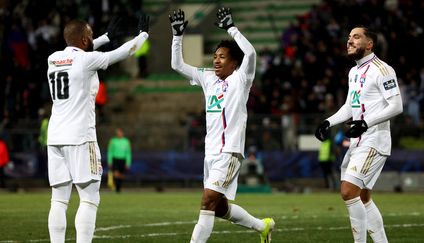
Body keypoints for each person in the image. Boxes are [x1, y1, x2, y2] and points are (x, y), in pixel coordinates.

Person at [170, 8, 275, 243]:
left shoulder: (241, 79)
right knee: (218, 208)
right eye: (215, 56)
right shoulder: (208, 78)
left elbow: (251, 53)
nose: (216, 60)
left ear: (234, 63)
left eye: (222, 57)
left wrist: (232, 28)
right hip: (211, 154)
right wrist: (177, 36)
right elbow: (177, 65)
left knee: (207, 201)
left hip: (229, 153)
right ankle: (263, 226)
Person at [46, 15, 149, 243]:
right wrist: (143, 35)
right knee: (90, 198)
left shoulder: (53, 59)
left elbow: (80, 52)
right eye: (90, 36)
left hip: (55, 138)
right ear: (84, 40)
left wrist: (104, 37)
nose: (93, 39)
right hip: (81, 137)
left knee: (59, 200)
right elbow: (125, 52)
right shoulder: (87, 61)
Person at [315, 26, 403, 243]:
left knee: (347, 191)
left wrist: (365, 123)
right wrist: (329, 121)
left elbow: (397, 106)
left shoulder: (383, 70)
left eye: (356, 37)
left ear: (369, 44)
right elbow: (349, 106)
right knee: (362, 197)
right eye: (348, 38)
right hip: (358, 142)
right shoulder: (353, 72)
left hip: (374, 141)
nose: (349, 41)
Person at [107, 127, 132, 193]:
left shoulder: (126, 141)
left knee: (121, 175)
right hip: (115, 159)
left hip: (123, 160)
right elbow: (110, 151)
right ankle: (117, 188)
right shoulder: (113, 141)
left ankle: (118, 187)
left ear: (122, 133)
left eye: (120, 132)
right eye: (118, 132)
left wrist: (128, 162)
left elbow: (128, 152)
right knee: (116, 174)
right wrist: (110, 161)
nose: (119, 134)